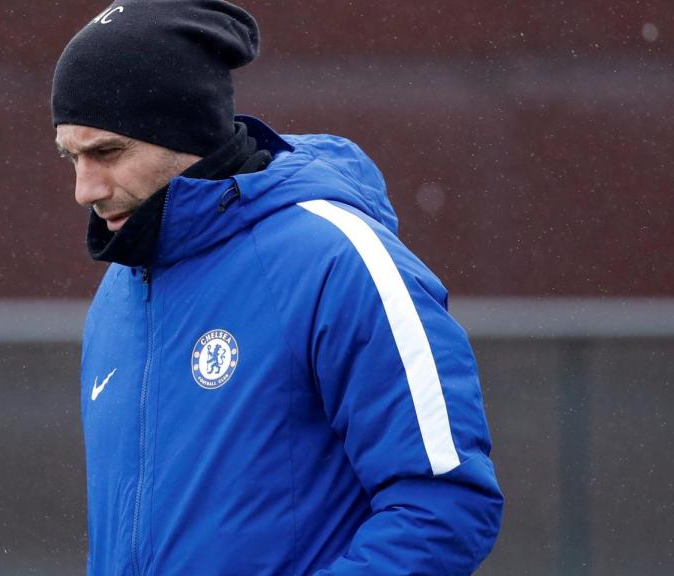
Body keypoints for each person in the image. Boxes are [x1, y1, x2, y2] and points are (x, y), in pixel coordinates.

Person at [51, 1, 503, 574]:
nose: (84, 188)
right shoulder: (119, 290)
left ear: (187, 133)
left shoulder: (337, 260)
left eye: (107, 152)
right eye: (70, 156)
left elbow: (446, 504)